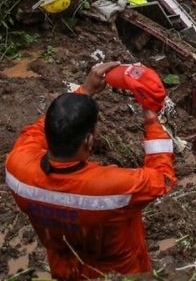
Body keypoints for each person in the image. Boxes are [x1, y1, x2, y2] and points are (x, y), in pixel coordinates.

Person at [5, 62, 175, 279]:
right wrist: (151, 120)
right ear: (88, 141)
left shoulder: (17, 168)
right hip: (118, 274)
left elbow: (35, 131)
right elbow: (163, 179)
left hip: (65, 269)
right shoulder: (112, 187)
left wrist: (85, 91)